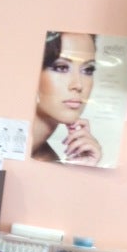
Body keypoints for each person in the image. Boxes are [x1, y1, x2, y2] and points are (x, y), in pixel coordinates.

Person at [32, 30, 102, 165]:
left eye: (88, 70)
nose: (78, 85)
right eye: (61, 68)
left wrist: (82, 168)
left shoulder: (48, 159)